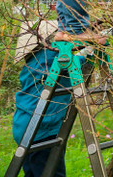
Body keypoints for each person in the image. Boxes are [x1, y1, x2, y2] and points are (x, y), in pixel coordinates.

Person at [12, 20, 70, 177]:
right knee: (49, 171)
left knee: (32, 171)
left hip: (25, 124)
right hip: (40, 128)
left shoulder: (33, 61)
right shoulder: (49, 57)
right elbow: (72, 63)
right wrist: (89, 53)